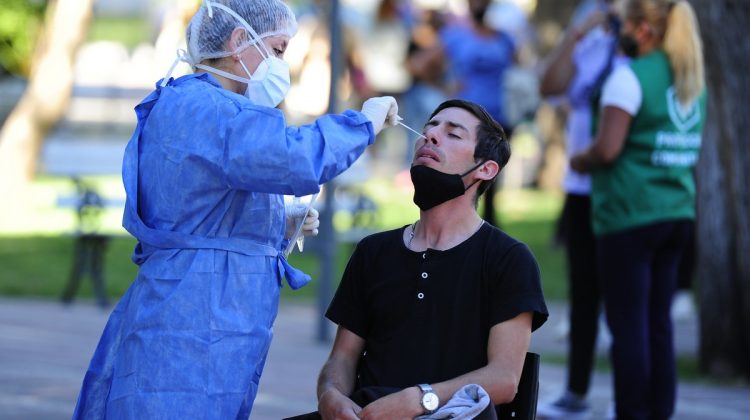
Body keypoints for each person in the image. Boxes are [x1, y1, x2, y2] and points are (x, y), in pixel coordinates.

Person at [72, 0, 399, 418]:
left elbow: (199, 204)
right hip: (194, 316)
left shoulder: (196, 105)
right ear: (240, 39)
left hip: (196, 303)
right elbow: (291, 158)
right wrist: (363, 124)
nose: (283, 64)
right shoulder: (212, 111)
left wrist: (275, 224)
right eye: (278, 50)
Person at [313, 99, 548, 419]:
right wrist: (331, 394)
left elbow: (504, 380)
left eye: (453, 134)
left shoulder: (508, 259)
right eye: (429, 128)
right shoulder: (373, 251)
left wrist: (420, 399)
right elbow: (341, 358)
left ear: (486, 168)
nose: (431, 136)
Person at [570, 1, 706, 418]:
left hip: (630, 215)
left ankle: (632, 412)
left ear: (645, 30)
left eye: (627, 22)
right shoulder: (687, 77)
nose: (621, 30)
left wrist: (580, 159)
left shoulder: (627, 78)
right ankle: (660, 411)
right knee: (658, 324)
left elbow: (608, 149)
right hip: (676, 211)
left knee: (628, 326)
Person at [536, 1, 623, 417]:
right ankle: (577, 391)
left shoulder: (641, 49)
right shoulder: (589, 44)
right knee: (584, 295)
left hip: (620, 188)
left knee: (627, 299)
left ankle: (632, 400)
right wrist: (578, 33)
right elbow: (548, 85)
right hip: (580, 187)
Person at [438, 0, 517, 227]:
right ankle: (456, 223)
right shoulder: (455, 35)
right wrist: (445, 85)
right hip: (466, 120)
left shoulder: (504, 38)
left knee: (491, 178)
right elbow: (420, 65)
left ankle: (487, 227)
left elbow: (518, 69)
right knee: (463, 173)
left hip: (499, 118)